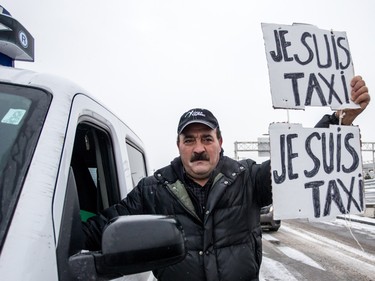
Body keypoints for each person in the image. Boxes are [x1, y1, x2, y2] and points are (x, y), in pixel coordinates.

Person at [83, 75, 370, 281]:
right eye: (190, 140)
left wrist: (340, 119)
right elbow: (100, 232)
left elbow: (298, 159)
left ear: (220, 142)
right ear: (178, 145)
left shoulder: (247, 179)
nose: (198, 148)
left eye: (207, 138)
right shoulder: (152, 190)